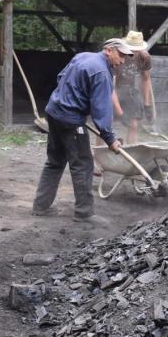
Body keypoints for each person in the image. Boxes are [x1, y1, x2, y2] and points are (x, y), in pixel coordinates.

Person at [32, 38, 130, 222]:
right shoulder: (102, 73)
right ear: (108, 50)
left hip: (53, 112)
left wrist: (70, 97)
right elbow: (102, 109)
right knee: (83, 164)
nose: (123, 60)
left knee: (54, 161)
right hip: (70, 120)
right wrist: (110, 139)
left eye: (126, 56)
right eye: (121, 54)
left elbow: (61, 77)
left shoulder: (82, 56)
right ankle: (84, 213)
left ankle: (40, 206)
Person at [112, 30, 152, 144]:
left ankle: (131, 153)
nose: (133, 51)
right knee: (105, 123)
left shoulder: (144, 57)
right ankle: (100, 156)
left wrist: (147, 104)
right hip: (113, 89)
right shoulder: (117, 54)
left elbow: (145, 79)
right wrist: (120, 113)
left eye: (136, 49)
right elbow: (111, 88)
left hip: (129, 89)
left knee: (134, 124)